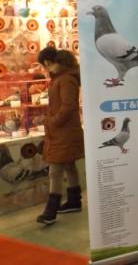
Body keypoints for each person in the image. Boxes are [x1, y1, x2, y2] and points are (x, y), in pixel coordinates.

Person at [36, 47, 84, 225]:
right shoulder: (63, 78)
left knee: (55, 170)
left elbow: (68, 106)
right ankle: (74, 201)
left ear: (47, 62)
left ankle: (51, 211)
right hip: (63, 131)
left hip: (63, 132)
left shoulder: (64, 79)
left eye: (43, 65)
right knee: (69, 165)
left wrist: (51, 122)